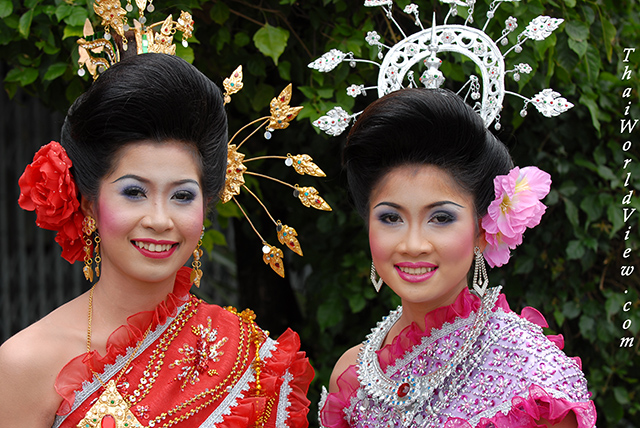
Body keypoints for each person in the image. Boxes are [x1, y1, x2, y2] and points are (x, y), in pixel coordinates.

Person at [0, 53, 313, 427]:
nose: (160, 220)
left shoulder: (253, 358)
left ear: (206, 205)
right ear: (89, 205)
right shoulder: (26, 361)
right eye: (133, 192)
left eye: (182, 196)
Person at [318, 88, 596, 427]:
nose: (413, 244)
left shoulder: (532, 376)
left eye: (441, 218)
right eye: (391, 218)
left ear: (482, 229)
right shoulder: (353, 378)